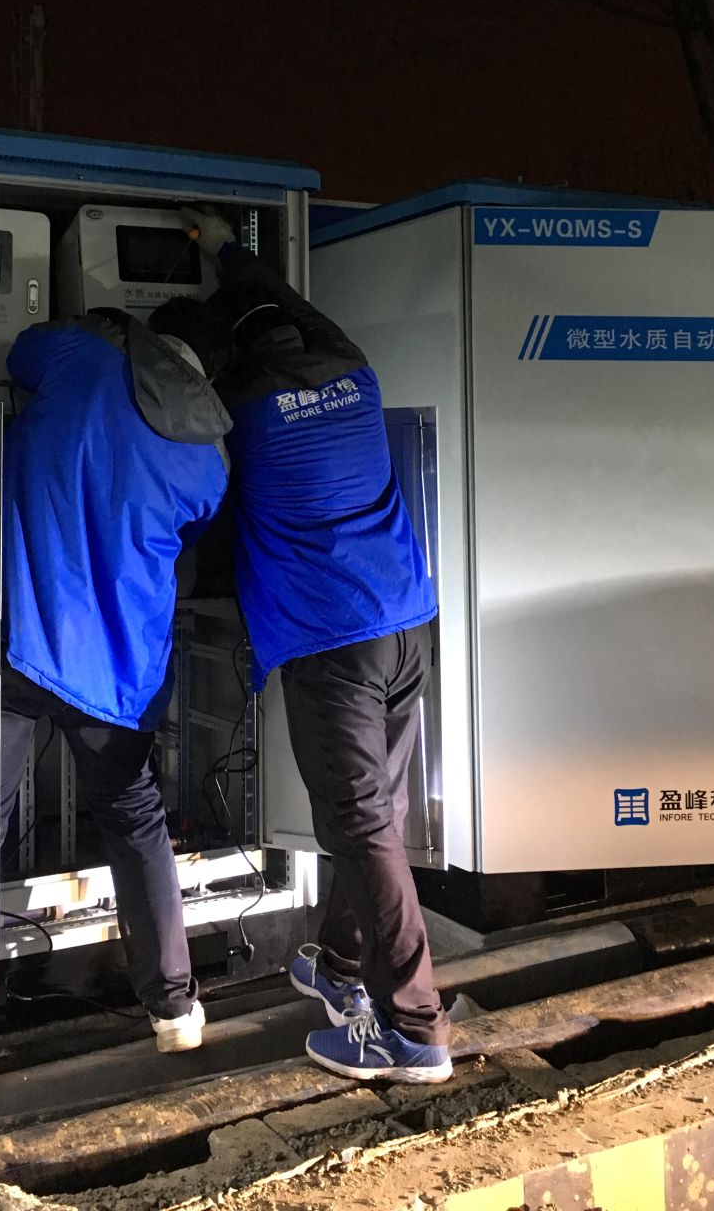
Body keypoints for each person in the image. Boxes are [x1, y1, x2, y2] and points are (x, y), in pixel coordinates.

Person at [0, 298, 232, 1103]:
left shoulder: (82, 361)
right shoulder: (209, 457)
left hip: (26, 645)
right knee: (134, 821)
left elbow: (19, 349)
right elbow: (186, 538)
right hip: (120, 672)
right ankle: (176, 1009)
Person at [181, 206, 451, 1085]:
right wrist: (230, 252)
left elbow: (192, 484)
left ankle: (412, 1032)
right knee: (376, 818)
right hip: (403, 622)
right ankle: (338, 968)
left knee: (362, 827)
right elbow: (287, 304)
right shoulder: (352, 370)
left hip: (330, 642)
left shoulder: (240, 413)